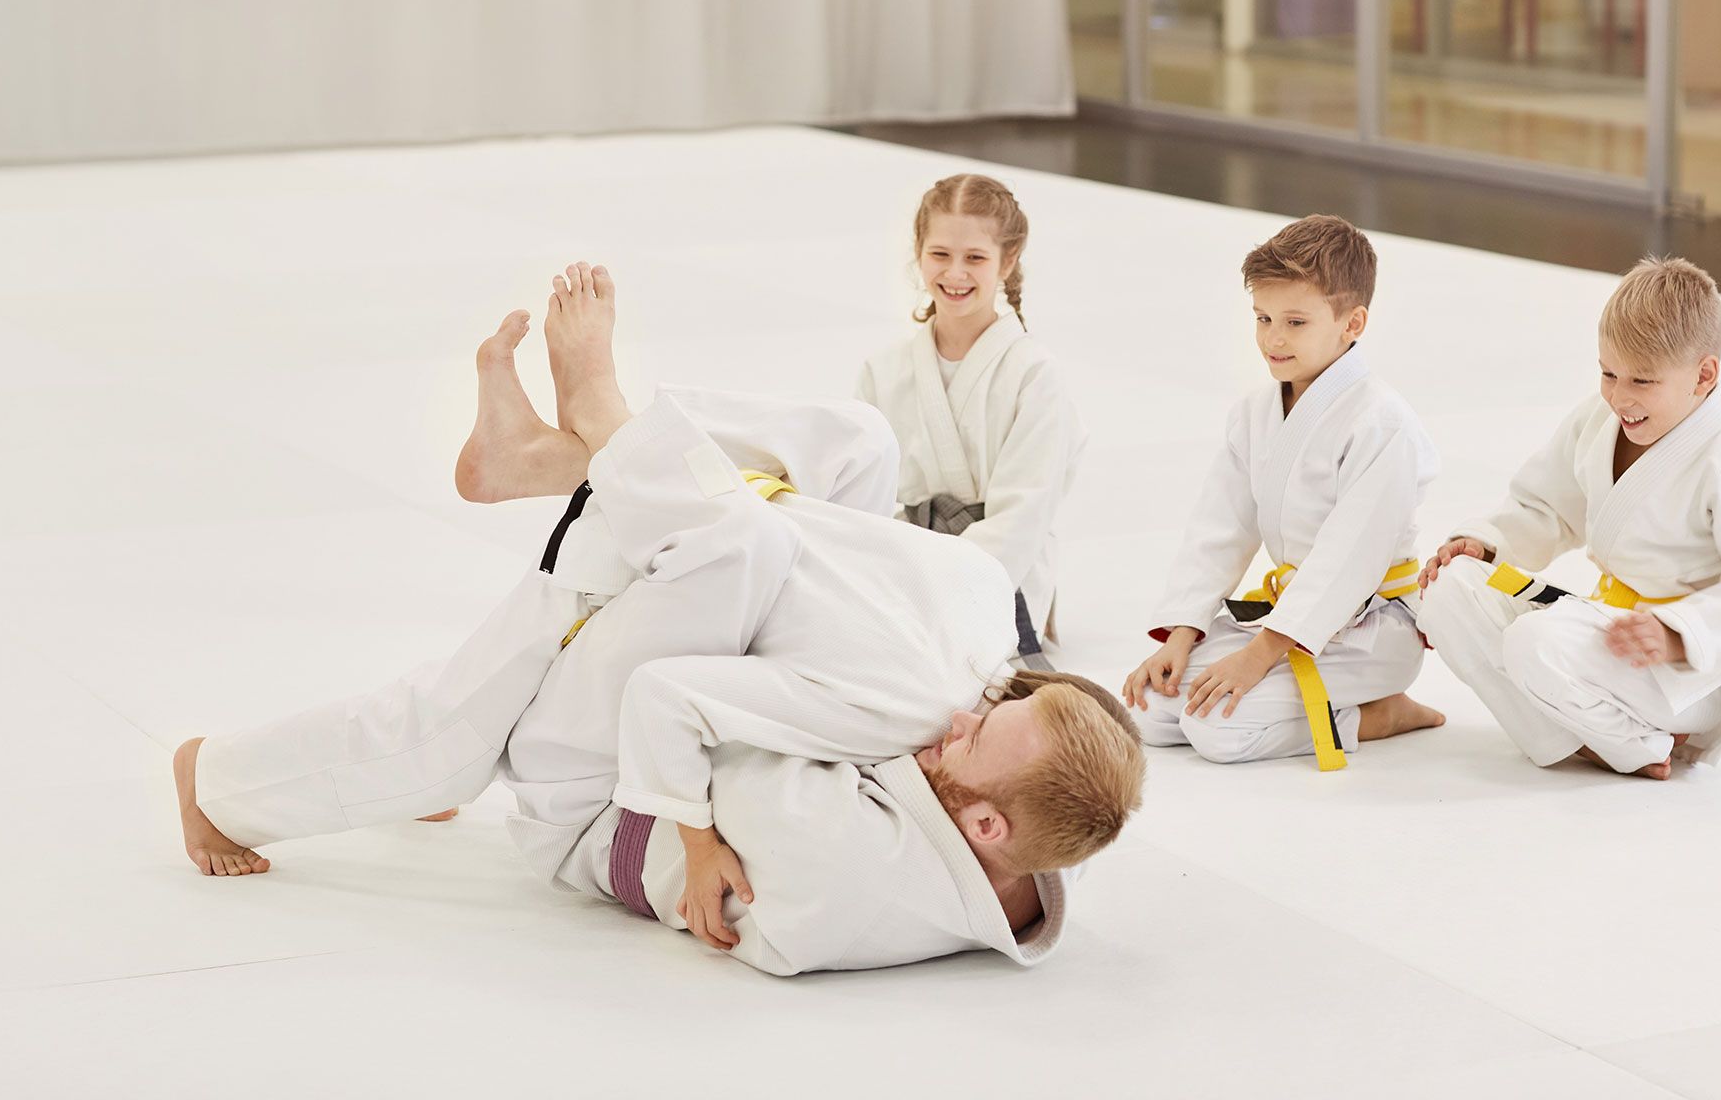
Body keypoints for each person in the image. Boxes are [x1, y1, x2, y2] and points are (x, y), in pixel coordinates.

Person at [172, 263, 1145, 975]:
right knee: (860, 443)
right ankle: (585, 462)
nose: (970, 707)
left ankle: (212, 780)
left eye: (982, 728)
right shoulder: (1028, 810)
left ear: (982, 819)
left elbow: (683, 709)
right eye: (1000, 699)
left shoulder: (860, 888)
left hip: (600, 787)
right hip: (706, 628)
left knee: (458, 730)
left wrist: (695, 830)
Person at [1416, 257, 1721, 779]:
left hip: (1685, 673)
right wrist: (1486, 546)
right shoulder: (1598, 421)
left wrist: (1674, 633)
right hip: (1600, 637)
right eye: (1608, 373)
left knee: (1534, 643)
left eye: (1643, 380)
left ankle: (1635, 744)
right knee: (1448, 589)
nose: (1621, 397)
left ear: (1704, 375)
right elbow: (1547, 509)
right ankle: (1572, 737)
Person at [1123, 216, 1444, 768]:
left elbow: (1349, 559)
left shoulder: (1382, 424)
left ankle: (1381, 714)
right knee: (1150, 709)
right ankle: (1297, 682)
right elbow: (1218, 530)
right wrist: (1182, 634)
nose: (1273, 338)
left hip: (1372, 628)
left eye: (1296, 321)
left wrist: (1259, 655)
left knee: (1219, 732)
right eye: (1263, 318)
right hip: (1289, 615)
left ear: (1353, 323)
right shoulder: (1254, 413)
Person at [856, 174, 1085, 671]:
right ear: (918, 251)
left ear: (1008, 259)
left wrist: (933, 587)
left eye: (975, 258)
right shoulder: (884, 370)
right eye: (940, 254)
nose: (955, 273)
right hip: (904, 561)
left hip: (999, 574)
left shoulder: (1034, 375)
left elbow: (1020, 519)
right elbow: (860, 496)